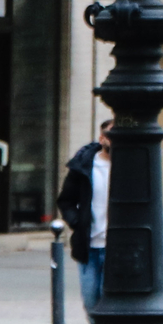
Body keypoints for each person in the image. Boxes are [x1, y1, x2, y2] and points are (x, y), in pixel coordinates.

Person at [55, 120, 113, 312]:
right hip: (89, 245)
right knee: (90, 299)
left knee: (110, 299)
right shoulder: (84, 167)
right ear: (102, 138)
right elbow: (65, 200)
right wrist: (77, 223)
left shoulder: (127, 167)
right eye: (111, 135)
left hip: (116, 246)